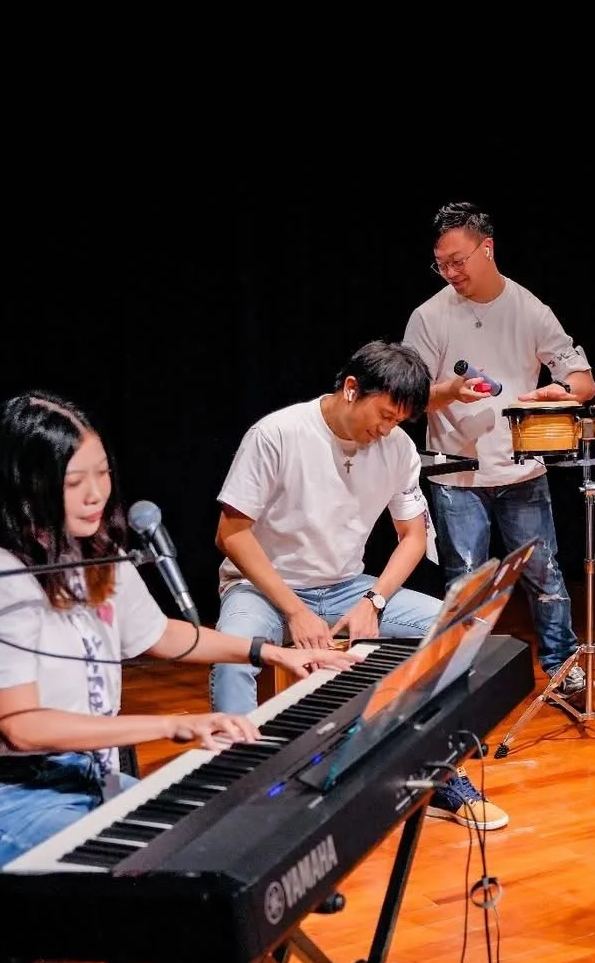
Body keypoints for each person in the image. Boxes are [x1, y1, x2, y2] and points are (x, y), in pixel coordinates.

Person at [0, 391, 351, 963]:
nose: (96, 493)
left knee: (239, 871)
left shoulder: (91, 552)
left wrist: (268, 649)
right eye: (74, 479)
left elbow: (163, 637)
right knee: (194, 902)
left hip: (84, 784)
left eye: (102, 473)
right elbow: (23, 726)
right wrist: (172, 722)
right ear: (26, 481)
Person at [206, 340, 506, 830]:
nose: (386, 429)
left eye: (397, 421)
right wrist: (293, 609)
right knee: (233, 654)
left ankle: (435, 774)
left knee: (449, 626)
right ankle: (233, 791)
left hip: (346, 585)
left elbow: (412, 537)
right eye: (383, 415)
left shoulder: (398, 448)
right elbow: (230, 534)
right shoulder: (277, 434)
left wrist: (376, 598)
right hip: (263, 587)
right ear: (351, 389)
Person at [403, 203, 595, 694]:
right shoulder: (429, 316)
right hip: (457, 474)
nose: (450, 272)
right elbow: (407, 393)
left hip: (522, 471)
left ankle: (559, 668)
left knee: (545, 575)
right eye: (441, 264)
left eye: (458, 260)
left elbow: (582, 380)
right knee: (465, 584)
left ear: (487, 248)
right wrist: (449, 391)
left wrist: (562, 392)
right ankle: (460, 678)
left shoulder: (529, 309)